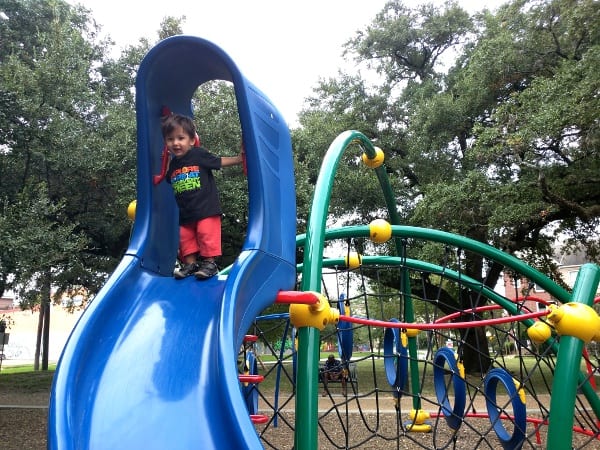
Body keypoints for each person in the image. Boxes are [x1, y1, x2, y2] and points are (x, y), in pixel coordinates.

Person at [162, 113, 243, 280]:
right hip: (186, 212)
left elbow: (218, 162)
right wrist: (166, 163)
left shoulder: (198, 154)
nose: (175, 143)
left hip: (206, 208)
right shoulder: (174, 163)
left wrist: (238, 159)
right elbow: (169, 179)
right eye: (170, 139)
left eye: (181, 138)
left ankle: (210, 263)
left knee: (206, 234)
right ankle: (190, 265)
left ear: (191, 140)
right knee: (185, 239)